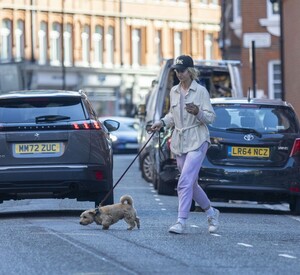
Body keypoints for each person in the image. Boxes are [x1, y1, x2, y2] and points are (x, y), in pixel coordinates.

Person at [151, 55, 220, 234]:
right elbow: (173, 116)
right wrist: (162, 122)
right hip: (180, 141)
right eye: (176, 71)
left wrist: (198, 112)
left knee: (184, 182)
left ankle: (181, 221)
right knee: (191, 183)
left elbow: (211, 118)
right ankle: (212, 212)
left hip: (198, 139)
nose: (178, 74)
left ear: (190, 72)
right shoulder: (174, 91)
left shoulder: (201, 92)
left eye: (181, 71)